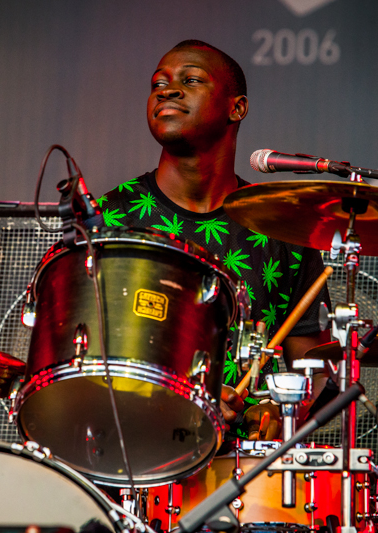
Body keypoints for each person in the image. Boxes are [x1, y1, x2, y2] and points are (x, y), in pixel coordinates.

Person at [98, 40, 331, 440]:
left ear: (236, 108)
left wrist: (278, 409)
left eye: (190, 80)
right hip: (134, 464)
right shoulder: (108, 219)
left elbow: (312, 371)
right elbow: (79, 365)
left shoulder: (285, 228)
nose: (166, 90)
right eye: (158, 83)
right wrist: (185, 400)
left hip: (252, 479)